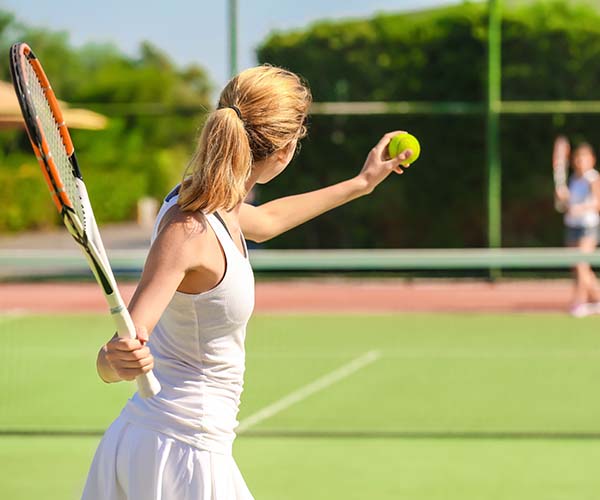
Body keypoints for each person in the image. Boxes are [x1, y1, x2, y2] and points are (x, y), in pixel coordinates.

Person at [81, 65, 414, 500]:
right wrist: (113, 359)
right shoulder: (189, 228)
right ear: (284, 151)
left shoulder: (212, 203)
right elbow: (115, 357)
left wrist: (362, 183)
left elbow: (269, 220)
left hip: (177, 444)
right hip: (178, 453)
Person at [553, 136, 600, 317]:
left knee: (581, 264)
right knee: (578, 267)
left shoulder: (593, 179)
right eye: (578, 158)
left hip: (588, 227)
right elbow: (564, 206)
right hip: (572, 226)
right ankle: (597, 299)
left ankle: (579, 302)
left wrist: (579, 208)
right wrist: (562, 198)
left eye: (585, 157)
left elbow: (597, 204)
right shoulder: (572, 180)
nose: (581, 161)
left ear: (592, 160)